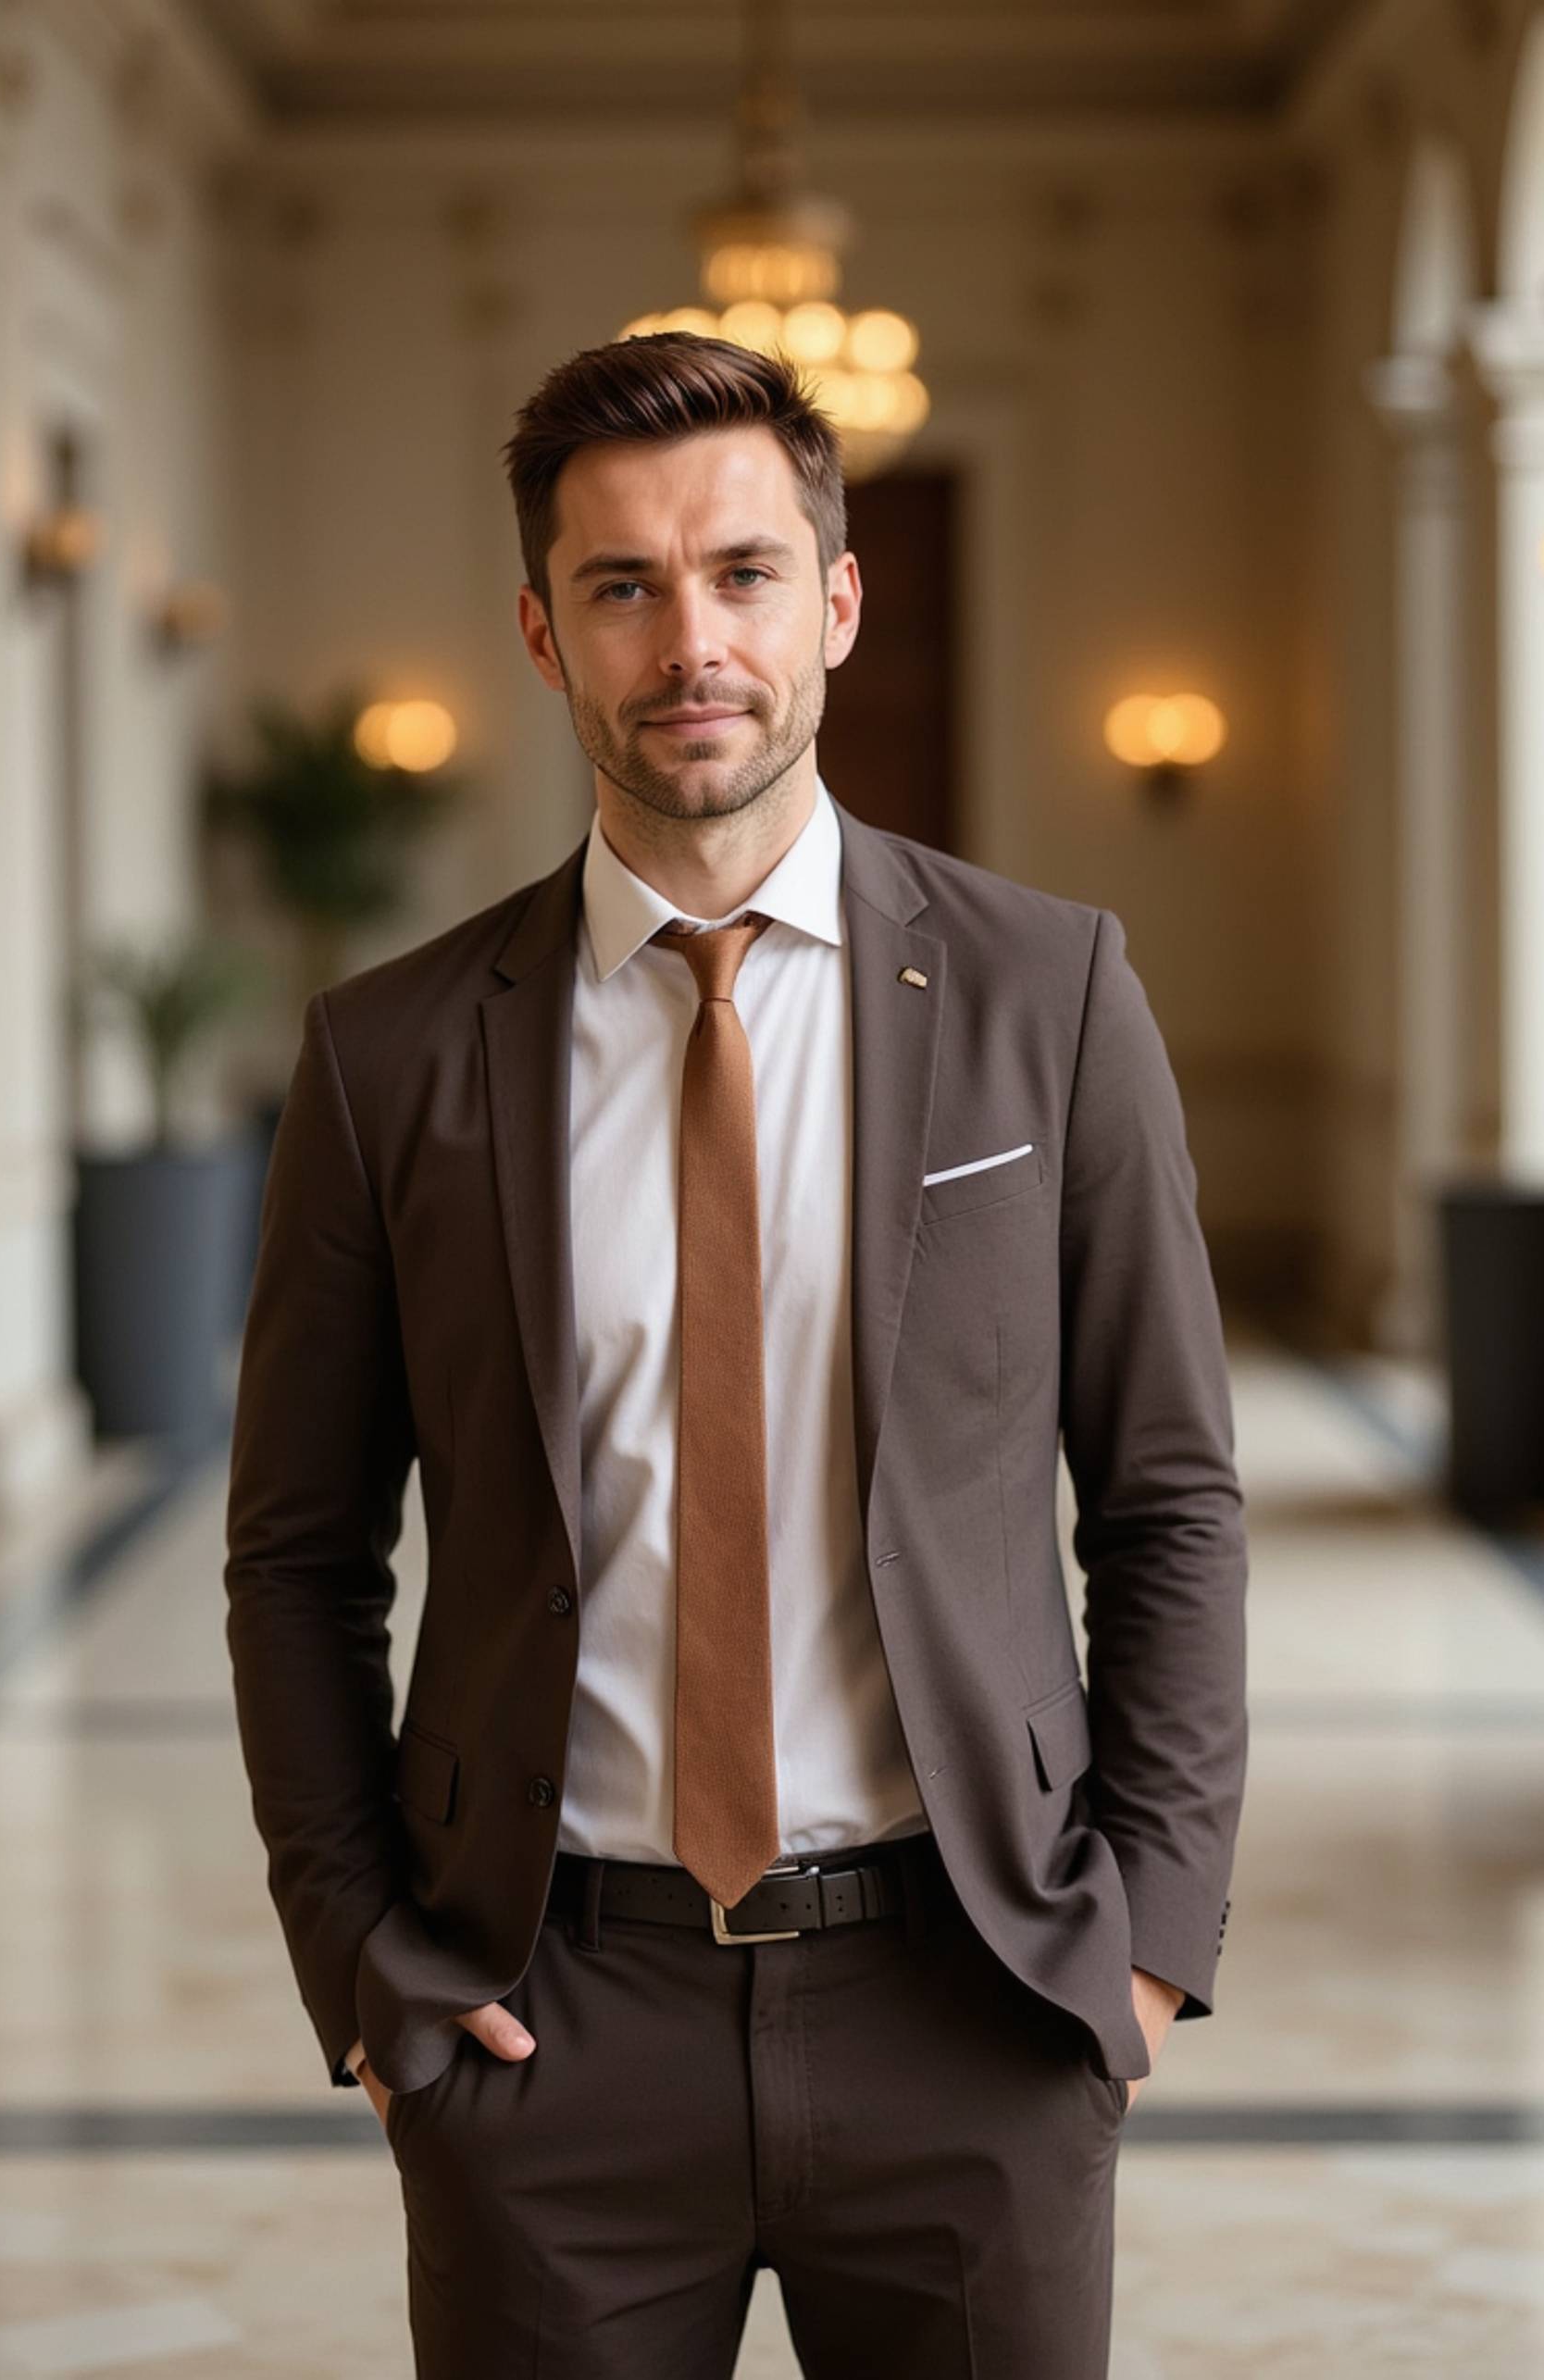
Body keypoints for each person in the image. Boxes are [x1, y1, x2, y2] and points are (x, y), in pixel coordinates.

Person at [224, 330, 1248, 2378]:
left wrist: (1140, 1937)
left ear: (835, 600)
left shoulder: (1049, 993)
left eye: (742, 572)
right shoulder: (393, 1054)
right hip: (553, 2018)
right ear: (542, 630)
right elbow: (298, 1554)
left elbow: (1165, 1491)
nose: (689, 638)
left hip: (968, 2002)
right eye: (621, 586)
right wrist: (368, 1970)